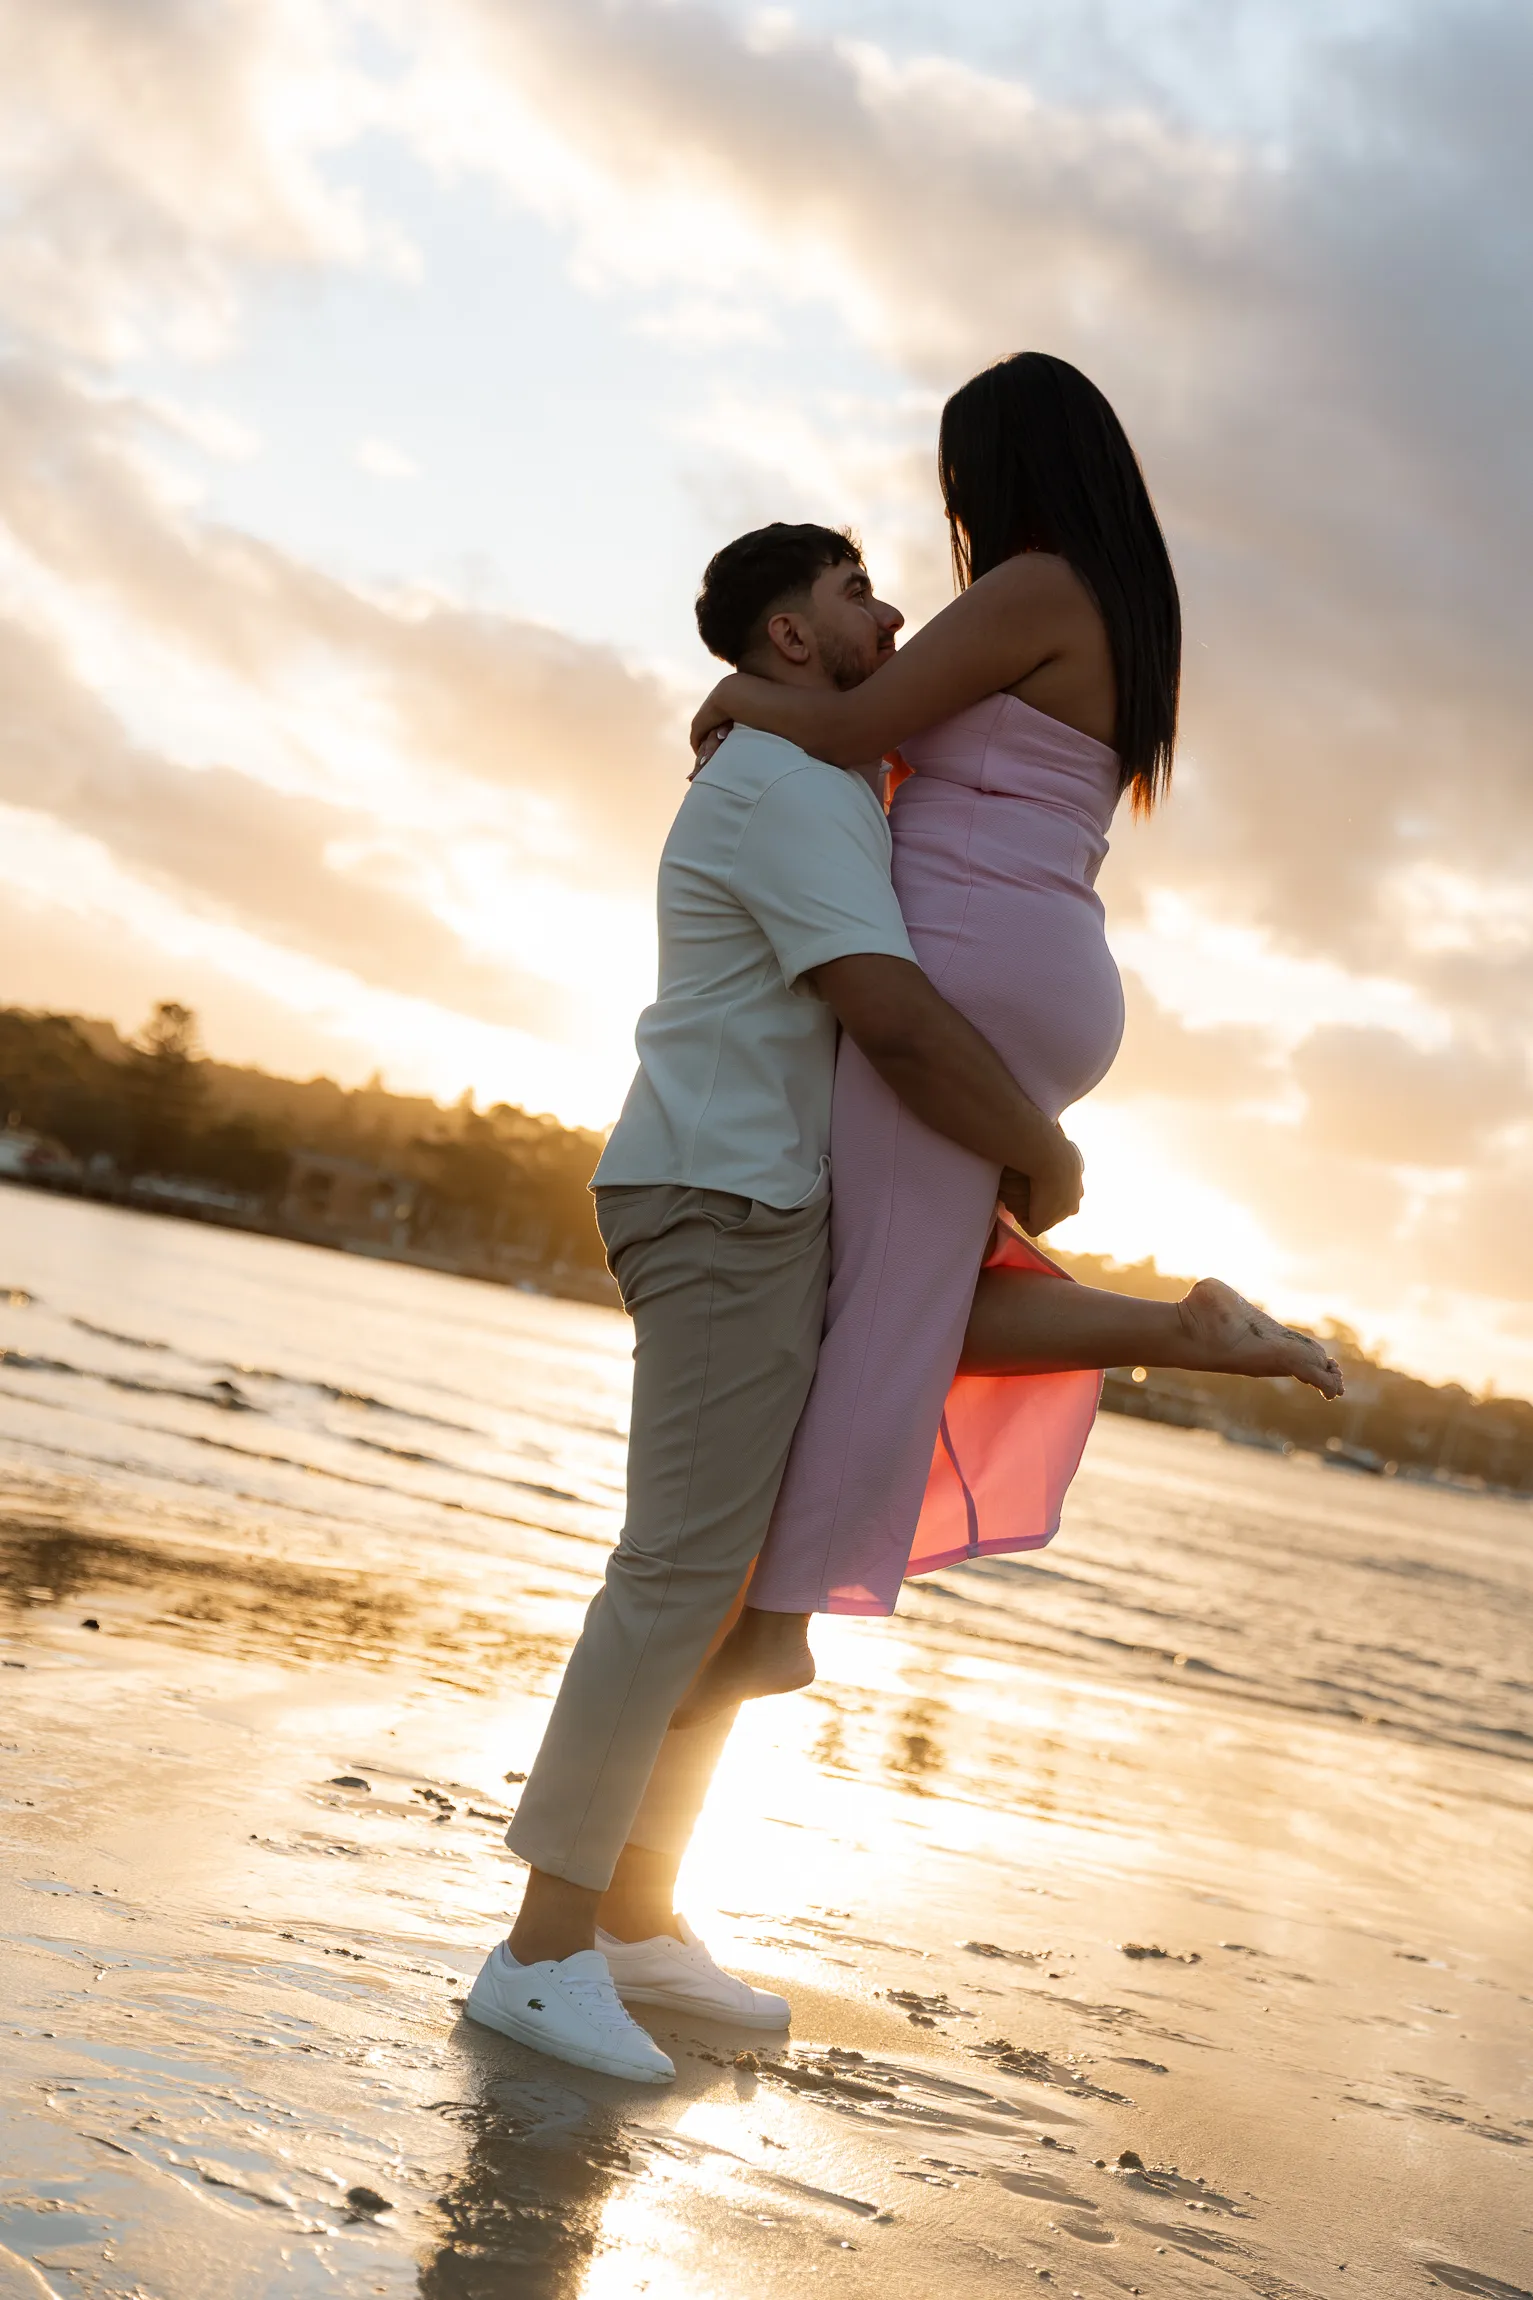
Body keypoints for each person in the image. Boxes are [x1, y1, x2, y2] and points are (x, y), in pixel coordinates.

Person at [465, 522, 1088, 2084]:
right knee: (678, 1576)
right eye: (856, 591)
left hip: (754, 1201)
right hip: (720, 1200)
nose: (894, 611)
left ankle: (633, 1923)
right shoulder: (790, 787)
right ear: (792, 635)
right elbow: (889, 1012)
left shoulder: (823, 773)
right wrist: (1038, 1148)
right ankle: (538, 1954)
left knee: (727, 1580)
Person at [677, 352, 1343, 1724]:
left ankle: (779, 1618)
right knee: (927, 1290)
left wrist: (741, 699)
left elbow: (852, 726)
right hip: (1037, 961)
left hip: (974, 962)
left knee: (879, 1293)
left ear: (1001, 471)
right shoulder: (1118, 607)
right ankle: (1187, 1331)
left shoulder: (1036, 586)